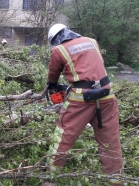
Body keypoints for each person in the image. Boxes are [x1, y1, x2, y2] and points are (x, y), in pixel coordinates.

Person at [46, 24, 123, 186]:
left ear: (54, 39)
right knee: (110, 141)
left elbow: (53, 74)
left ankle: (50, 178)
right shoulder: (92, 41)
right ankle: (116, 181)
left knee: (64, 135)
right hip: (106, 94)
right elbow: (91, 67)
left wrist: (52, 85)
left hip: (81, 98)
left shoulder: (58, 50)